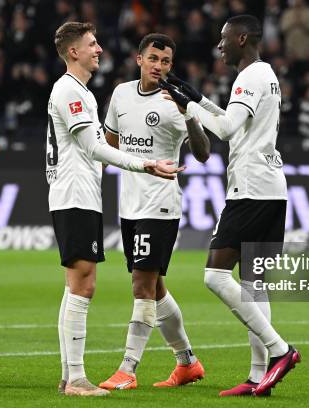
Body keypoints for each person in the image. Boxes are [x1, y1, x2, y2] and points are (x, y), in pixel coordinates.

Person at [160, 15, 300, 397]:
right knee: (255, 288)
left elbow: (223, 131)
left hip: (251, 190)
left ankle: (280, 351)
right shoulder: (265, 74)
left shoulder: (249, 77)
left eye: (223, 39)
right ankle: (259, 378)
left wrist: (188, 107)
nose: (219, 45)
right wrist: (199, 98)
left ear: (242, 38)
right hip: (271, 188)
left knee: (215, 276)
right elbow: (232, 119)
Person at [47, 22, 184, 397]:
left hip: (80, 195)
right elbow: (94, 147)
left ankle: (68, 375)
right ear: (73, 51)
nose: (99, 50)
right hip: (75, 195)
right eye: (92, 44)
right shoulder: (71, 92)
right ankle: (76, 379)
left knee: (77, 286)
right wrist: (145, 164)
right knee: (83, 286)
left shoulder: (79, 92)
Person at [98, 33, 209, 391]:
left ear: (170, 67)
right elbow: (109, 146)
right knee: (156, 287)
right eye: (154, 59)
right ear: (139, 59)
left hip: (160, 204)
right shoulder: (121, 95)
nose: (159, 67)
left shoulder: (175, 102)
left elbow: (203, 152)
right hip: (129, 203)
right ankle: (187, 363)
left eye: (165, 62)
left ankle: (128, 369)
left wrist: (188, 114)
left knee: (142, 286)